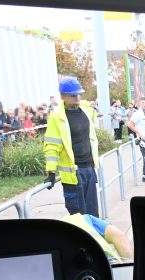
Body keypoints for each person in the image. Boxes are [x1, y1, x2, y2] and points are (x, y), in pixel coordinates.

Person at [43, 76, 100, 216]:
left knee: (92, 214)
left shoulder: (86, 109)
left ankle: (94, 237)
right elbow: (52, 145)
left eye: (79, 94)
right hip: (73, 173)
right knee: (78, 215)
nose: (77, 97)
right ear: (63, 96)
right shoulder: (57, 117)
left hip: (89, 168)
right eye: (73, 95)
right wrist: (51, 172)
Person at [60, 213, 133, 263]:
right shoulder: (82, 218)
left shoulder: (53, 235)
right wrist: (130, 269)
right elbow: (120, 237)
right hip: (111, 265)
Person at [127, 98, 145, 182]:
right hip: (143, 139)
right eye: (143, 103)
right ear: (139, 104)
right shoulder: (137, 114)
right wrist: (139, 133)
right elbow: (130, 124)